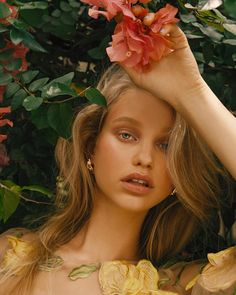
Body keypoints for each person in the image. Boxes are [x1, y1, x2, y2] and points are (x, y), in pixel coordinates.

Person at [0, 24, 235, 295]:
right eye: (126, 135)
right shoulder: (12, 259)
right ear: (90, 146)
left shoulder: (179, 286)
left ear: (179, 171)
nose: (145, 159)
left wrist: (192, 92)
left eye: (166, 145)